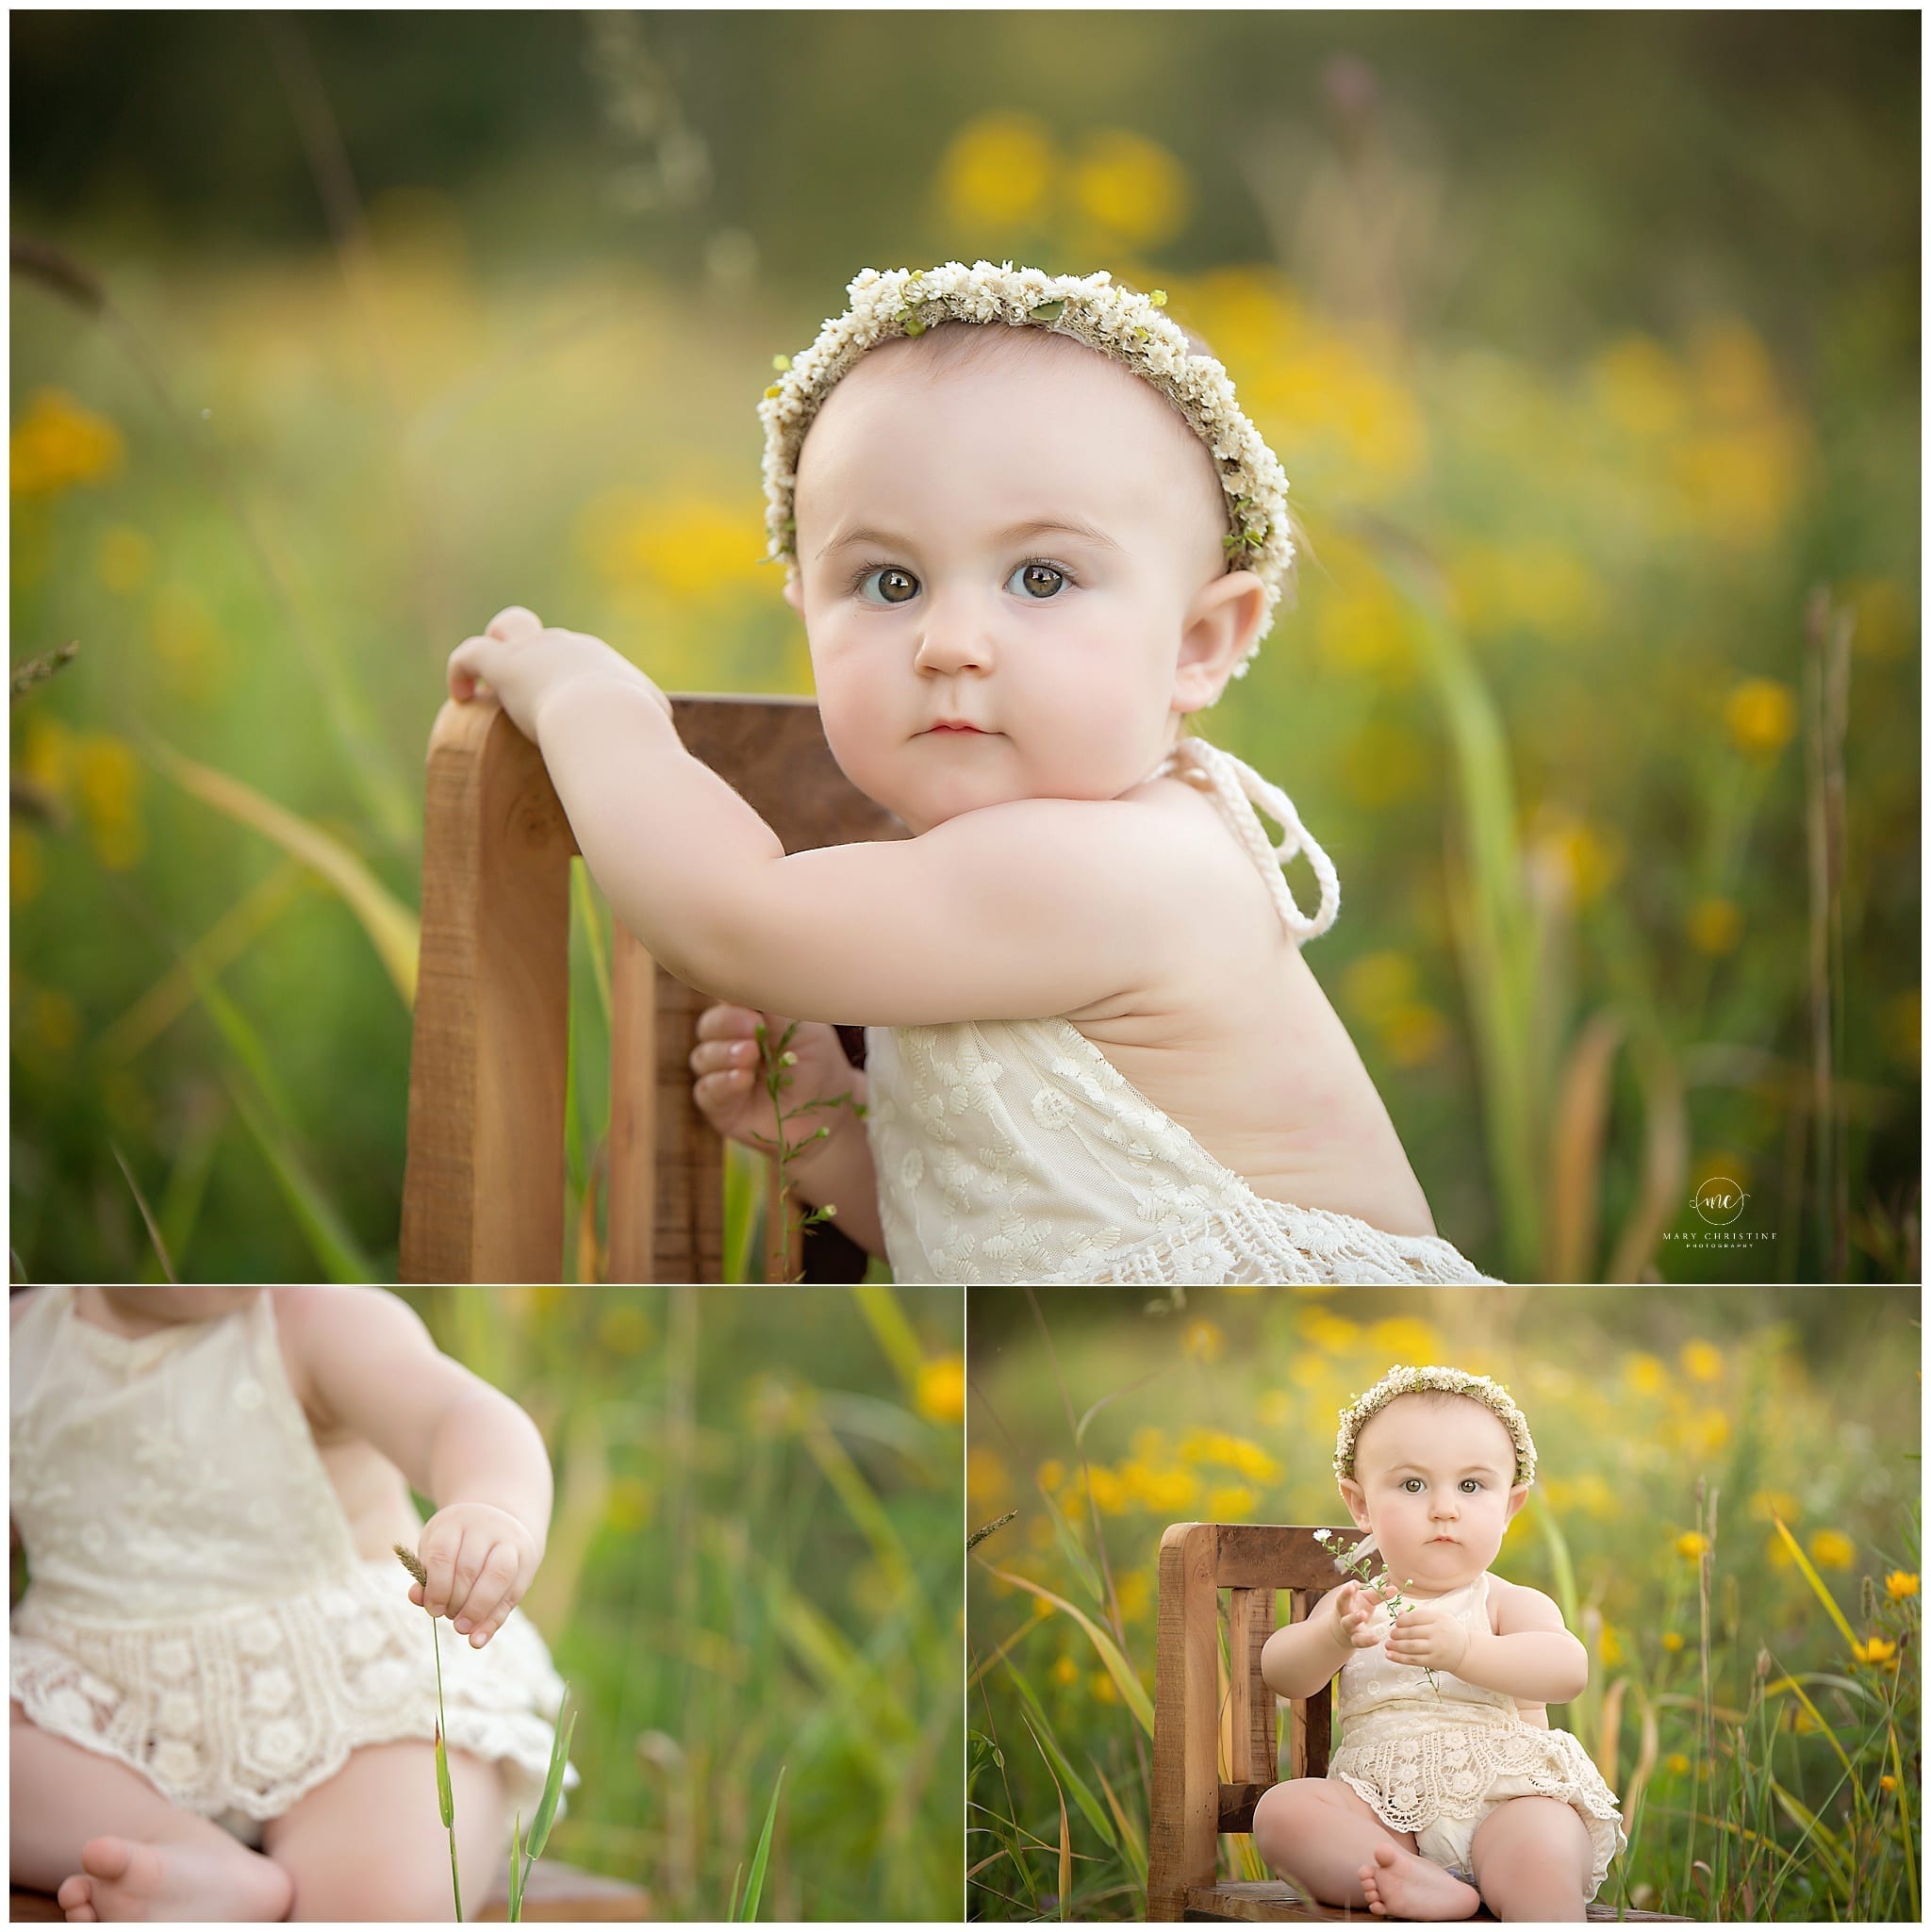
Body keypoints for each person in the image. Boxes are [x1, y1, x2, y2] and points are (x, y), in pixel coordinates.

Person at [446, 260, 1498, 1285]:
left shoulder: (1121, 868)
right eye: (888, 580)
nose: (949, 641)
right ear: (807, 611)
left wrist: (596, 705)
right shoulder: (973, 880)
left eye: (1040, 577)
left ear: (1199, 641)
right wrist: (826, 1142)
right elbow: (983, 1250)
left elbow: (729, 914)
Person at [9, 1285, 571, 1922]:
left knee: (383, 1886)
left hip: (340, 1692)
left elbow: (457, 1412)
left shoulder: (308, 1318)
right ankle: (184, 1855)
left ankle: (341, 1883)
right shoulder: (20, 1342)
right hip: (96, 1707)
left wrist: (493, 1504)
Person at [1252, 1364, 1626, 1921]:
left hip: (1504, 1801)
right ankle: (1422, 1883)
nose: (1444, 1507)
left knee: (1543, 1841)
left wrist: (1465, 1651)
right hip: (1382, 1812)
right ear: (1360, 1506)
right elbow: (1283, 1673)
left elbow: (1567, 1669)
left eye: (1471, 1486)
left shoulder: (1504, 1601)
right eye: (1412, 1485)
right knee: (1282, 1813)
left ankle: (1533, 1901)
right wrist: (1332, 1637)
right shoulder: (1356, 1604)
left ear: (1510, 1507)